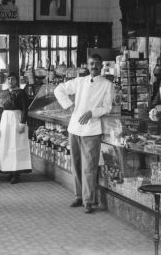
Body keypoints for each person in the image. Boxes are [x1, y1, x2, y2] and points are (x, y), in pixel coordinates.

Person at [54, 54, 114, 213]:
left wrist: (91, 113)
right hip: (74, 129)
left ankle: (88, 200)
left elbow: (107, 107)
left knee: (89, 166)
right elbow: (59, 89)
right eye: (91, 63)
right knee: (76, 164)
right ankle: (78, 196)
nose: (94, 66)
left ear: (101, 66)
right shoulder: (79, 81)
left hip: (92, 129)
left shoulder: (107, 85)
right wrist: (68, 105)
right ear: (87, 66)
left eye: (96, 64)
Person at [0, 72, 31, 184]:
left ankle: (16, 173)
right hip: (5, 120)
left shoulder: (21, 93)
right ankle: (9, 170)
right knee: (6, 145)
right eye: (8, 79)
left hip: (16, 118)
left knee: (16, 145)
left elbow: (25, 109)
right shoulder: (3, 93)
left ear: (16, 81)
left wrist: (22, 123)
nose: (10, 81)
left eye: (12, 79)